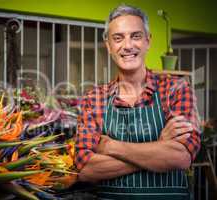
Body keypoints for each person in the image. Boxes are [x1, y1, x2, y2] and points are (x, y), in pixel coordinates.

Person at [75, 4, 201, 200]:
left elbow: (181, 157)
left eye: (136, 36)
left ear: (148, 41)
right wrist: (159, 146)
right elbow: (86, 169)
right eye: (118, 38)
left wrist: (110, 147)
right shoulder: (94, 99)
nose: (127, 46)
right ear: (108, 45)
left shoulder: (177, 89)